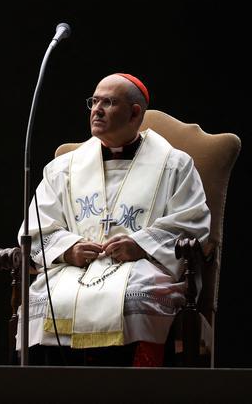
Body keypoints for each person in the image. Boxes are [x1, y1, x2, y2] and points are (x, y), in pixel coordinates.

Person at [18, 73, 210, 367]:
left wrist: (141, 245)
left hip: (142, 268)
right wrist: (68, 249)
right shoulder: (63, 168)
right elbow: (36, 227)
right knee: (46, 302)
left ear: (135, 113)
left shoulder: (174, 165)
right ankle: (55, 389)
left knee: (137, 298)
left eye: (108, 102)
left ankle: (137, 388)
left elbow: (192, 225)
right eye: (94, 102)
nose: (96, 110)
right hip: (75, 269)